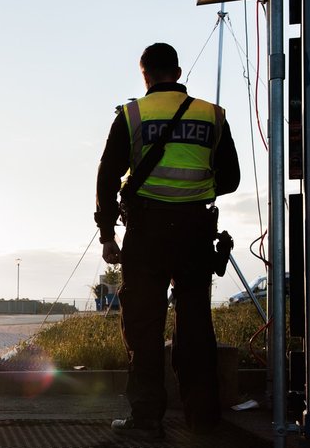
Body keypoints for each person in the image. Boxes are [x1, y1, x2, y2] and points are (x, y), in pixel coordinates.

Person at [94, 43, 240, 439]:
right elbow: (230, 178)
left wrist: (107, 233)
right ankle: (203, 421)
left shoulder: (132, 115)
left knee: (144, 327)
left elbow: (107, 176)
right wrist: (195, 190)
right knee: (195, 325)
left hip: (147, 232)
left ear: (144, 75)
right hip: (195, 232)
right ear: (177, 72)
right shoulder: (212, 115)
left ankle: (146, 420)